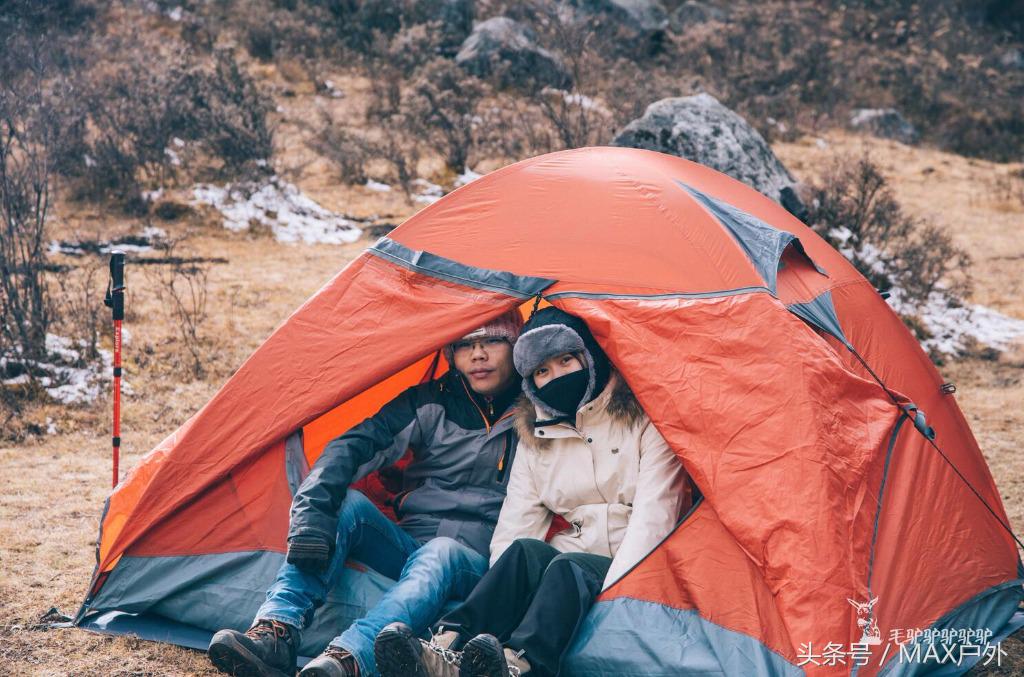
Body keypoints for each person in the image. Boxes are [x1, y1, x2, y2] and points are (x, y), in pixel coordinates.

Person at [373, 307, 691, 677]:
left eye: (565, 361)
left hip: (633, 563)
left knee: (568, 566)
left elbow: (656, 515)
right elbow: (517, 520)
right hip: (573, 554)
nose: (555, 377)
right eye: (542, 371)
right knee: (525, 550)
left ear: (589, 356)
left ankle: (518, 664)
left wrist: (620, 594)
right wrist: (504, 594)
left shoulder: (642, 417)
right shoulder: (537, 435)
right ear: (531, 382)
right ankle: (444, 648)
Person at [208, 309, 525, 677]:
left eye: (492, 341)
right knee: (348, 505)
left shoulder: (535, 415)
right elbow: (354, 446)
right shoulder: (429, 401)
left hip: (476, 562)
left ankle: (351, 657)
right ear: (451, 353)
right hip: (410, 546)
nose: (478, 355)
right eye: (466, 344)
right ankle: (277, 631)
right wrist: (311, 515)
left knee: (442, 552)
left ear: (516, 346)